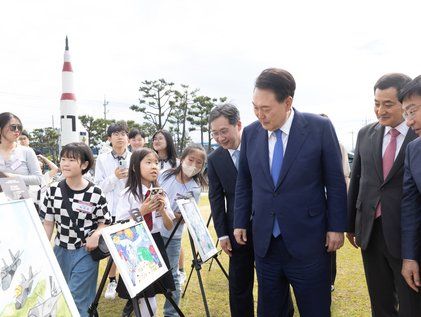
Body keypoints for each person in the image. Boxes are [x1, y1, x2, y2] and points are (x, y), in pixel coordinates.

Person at [234, 68, 347, 317]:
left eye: (266, 108)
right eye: (255, 107)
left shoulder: (319, 127)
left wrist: (337, 227)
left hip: (309, 240)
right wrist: (240, 220)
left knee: (315, 309)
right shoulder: (251, 134)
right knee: (270, 310)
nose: (260, 115)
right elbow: (244, 181)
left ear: (287, 102)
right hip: (266, 243)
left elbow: (335, 182)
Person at [347, 73, 421, 316]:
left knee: (410, 303)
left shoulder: (416, 137)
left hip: (405, 234)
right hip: (370, 231)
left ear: (403, 102)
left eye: (388, 104)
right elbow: (357, 179)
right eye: (376, 103)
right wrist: (350, 223)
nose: (380, 110)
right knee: (380, 302)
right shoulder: (365, 134)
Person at [40, 142, 111, 317]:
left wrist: (96, 234)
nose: (65, 163)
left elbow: (105, 221)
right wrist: (42, 249)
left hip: (84, 252)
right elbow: (48, 223)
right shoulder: (53, 190)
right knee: (61, 295)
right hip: (60, 251)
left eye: (71, 160)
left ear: (85, 164)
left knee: (77, 297)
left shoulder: (95, 193)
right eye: (63, 159)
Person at [207, 104, 255, 317]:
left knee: (273, 282)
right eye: (215, 133)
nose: (220, 138)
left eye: (223, 131)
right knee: (239, 284)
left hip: (267, 226)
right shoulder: (215, 159)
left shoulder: (259, 146)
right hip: (236, 231)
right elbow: (216, 199)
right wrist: (222, 234)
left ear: (238, 125)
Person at [116, 148, 175, 317]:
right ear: (135, 167)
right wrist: (141, 211)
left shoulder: (161, 193)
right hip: (135, 245)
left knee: (151, 298)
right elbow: (120, 225)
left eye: (156, 162)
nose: (154, 166)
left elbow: (169, 226)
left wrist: (162, 210)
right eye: (148, 162)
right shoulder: (128, 194)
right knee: (145, 301)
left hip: (155, 243)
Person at [159, 144, 207, 317]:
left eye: (199, 163)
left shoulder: (194, 188)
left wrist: (179, 215)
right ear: (182, 159)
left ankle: (171, 313)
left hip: (174, 237)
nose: (193, 165)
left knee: (172, 276)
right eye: (191, 160)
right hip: (155, 232)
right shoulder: (165, 175)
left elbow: (187, 214)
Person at [94, 121, 132, 300]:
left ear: (128, 138)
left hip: (129, 211)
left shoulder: (135, 157)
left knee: (128, 247)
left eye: (123, 133)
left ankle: (129, 283)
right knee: (111, 250)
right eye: (115, 134)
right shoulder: (101, 159)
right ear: (109, 139)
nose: (120, 137)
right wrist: (114, 177)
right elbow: (98, 187)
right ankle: (111, 281)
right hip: (109, 211)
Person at [320, 113, 351, 292]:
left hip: (331, 202)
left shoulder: (339, 146)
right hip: (314, 203)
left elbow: (344, 177)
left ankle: (330, 281)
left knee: (330, 245)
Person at [399, 76, 421, 298]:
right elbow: (410, 206)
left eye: (412, 111)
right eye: (406, 113)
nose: (408, 121)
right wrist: (410, 257)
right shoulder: (413, 150)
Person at [0, 112, 43, 186]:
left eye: (19, 127)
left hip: (21, 197)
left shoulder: (27, 151)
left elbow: (38, 179)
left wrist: (11, 176)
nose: (17, 130)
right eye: (13, 127)